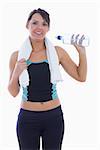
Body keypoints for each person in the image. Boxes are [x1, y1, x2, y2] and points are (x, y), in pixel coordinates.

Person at [8, 8, 87, 150]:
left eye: (44, 24)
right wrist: (16, 73)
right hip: (28, 118)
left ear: (48, 28)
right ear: (27, 25)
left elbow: (81, 77)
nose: (39, 27)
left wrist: (81, 51)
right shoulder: (17, 56)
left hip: (53, 117)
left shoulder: (57, 53)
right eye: (35, 23)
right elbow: (13, 92)